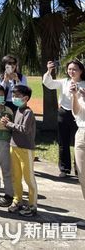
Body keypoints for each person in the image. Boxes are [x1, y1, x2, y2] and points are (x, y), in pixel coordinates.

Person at [43, 59, 85, 178]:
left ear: (81, 71)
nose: (71, 71)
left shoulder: (84, 83)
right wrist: (49, 71)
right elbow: (49, 84)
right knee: (63, 141)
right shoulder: (64, 82)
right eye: (70, 69)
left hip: (80, 115)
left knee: (78, 142)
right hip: (64, 113)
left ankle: (79, 169)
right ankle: (64, 168)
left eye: (75, 69)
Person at [1, 85, 38, 217]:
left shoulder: (28, 112)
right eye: (14, 95)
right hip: (14, 146)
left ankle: (32, 205)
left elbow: (24, 129)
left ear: (25, 98)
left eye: (17, 96)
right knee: (15, 176)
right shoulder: (18, 110)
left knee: (28, 178)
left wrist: (9, 124)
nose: (14, 98)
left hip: (26, 149)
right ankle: (18, 200)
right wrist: (8, 123)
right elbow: (16, 128)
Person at [69, 79, 85, 226]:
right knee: (82, 174)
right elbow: (76, 112)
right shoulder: (79, 91)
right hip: (81, 134)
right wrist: (74, 96)